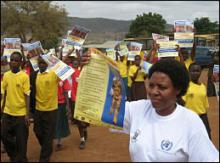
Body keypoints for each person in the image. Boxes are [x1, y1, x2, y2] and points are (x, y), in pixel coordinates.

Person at [80, 54, 219, 162]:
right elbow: (97, 105)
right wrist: (89, 70)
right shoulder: (138, 110)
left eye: (162, 87)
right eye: (151, 85)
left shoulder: (190, 122)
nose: (153, 92)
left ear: (178, 89)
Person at [1, 51, 30, 162]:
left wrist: (27, 114)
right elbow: (4, 93)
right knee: (4, 135)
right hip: (7, 112)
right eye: (11, 60)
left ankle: (21, 157)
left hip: (21, 114)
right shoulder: (6, 75)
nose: (13, 62)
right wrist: (2, 108)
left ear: (20, 62)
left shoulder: (24, 76)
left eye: (16, 60)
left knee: (22, 141)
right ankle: (15, 156)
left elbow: (27, 95)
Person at [30, 56, 59, 162]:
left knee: (48, 134)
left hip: (51, 110)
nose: (41, 65)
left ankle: (44, 158)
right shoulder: (34, 75)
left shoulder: (53, 74)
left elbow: (63, 68)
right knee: (37, 131)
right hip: (38, 110)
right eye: (40, 63)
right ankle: (47, 147)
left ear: (47, 64)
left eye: (43, 63)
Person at [183, 63, 212, 139]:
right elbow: (181, 104)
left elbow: (204, 105)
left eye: (198, 71)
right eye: (193, 71)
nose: (195, 73)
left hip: (202, 117)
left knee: (207, 138)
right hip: (189, 118)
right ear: (189, 71)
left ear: (201, 72)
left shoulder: (203, 87)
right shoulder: (185, 86)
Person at [70, 58, 90, 149]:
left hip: (83, 99)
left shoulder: (82, 72)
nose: (74, 65)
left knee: (83, 120)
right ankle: (82, 140)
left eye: (76, 63)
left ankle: (85, 128)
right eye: (73, 63)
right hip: (74, 99)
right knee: (78, 120)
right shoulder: (70, 72)